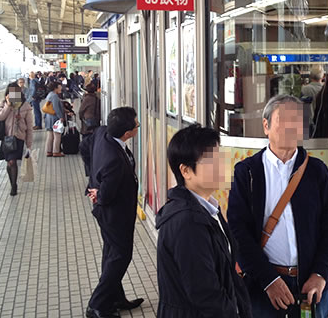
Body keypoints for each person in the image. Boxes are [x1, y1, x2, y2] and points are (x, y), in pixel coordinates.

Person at [228, 94, 328, 318]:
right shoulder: (247, 173)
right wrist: (268, 280)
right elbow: (238, 231)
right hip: (264, 285)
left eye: (297, 120)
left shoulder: (317, 171)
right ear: (266, 125)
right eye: (284, 119)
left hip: (310, 287)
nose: (291, 126)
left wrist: (320, 273)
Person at [156, 125, 252, 318]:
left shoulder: (208, 208)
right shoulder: (188, 222)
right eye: (210, 161)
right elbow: (205, 293)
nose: (220, 166)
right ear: (186, 171)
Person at [83, 107, 142, 318]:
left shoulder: (102, 132)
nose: (138, 127)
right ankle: (97, 305)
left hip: (110, 212)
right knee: (120, 256)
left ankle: (115, 298)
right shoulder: (114, 160)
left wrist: (92, 179)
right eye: (137, 125)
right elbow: (106, 196)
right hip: (115, 215)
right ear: (127, 133)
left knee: (111, 254)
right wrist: (97, 189)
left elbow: (85, 146)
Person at [0, 83, 33, 196]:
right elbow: (0, 117)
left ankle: (14, 186)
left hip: (18, 137)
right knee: (9, 163)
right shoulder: (3, 104)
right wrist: (8, 105)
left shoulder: (25, 105)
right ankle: (13, 181)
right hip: (7, 137)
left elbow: (30, 125)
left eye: (15, 92)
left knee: (12, 161)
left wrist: (29, 143)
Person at [78, 83, 101, 177]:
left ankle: (89, 171)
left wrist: (81, 118)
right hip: (95, 124)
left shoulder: (87, 98)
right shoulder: (97, 99)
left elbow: (81, 111)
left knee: (86, 148)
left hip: (87, 125)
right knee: (93, 147)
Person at [44, 82, 65, 157]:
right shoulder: (54, 96)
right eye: (59, 87)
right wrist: (60, 117)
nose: (61, 88)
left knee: (50, 135)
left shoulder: (49, 95)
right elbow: (56, 108)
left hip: (49, 117)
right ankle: (56, 151)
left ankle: (49, 151)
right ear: (55, 88)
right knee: (57, 135)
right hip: (54, 118)